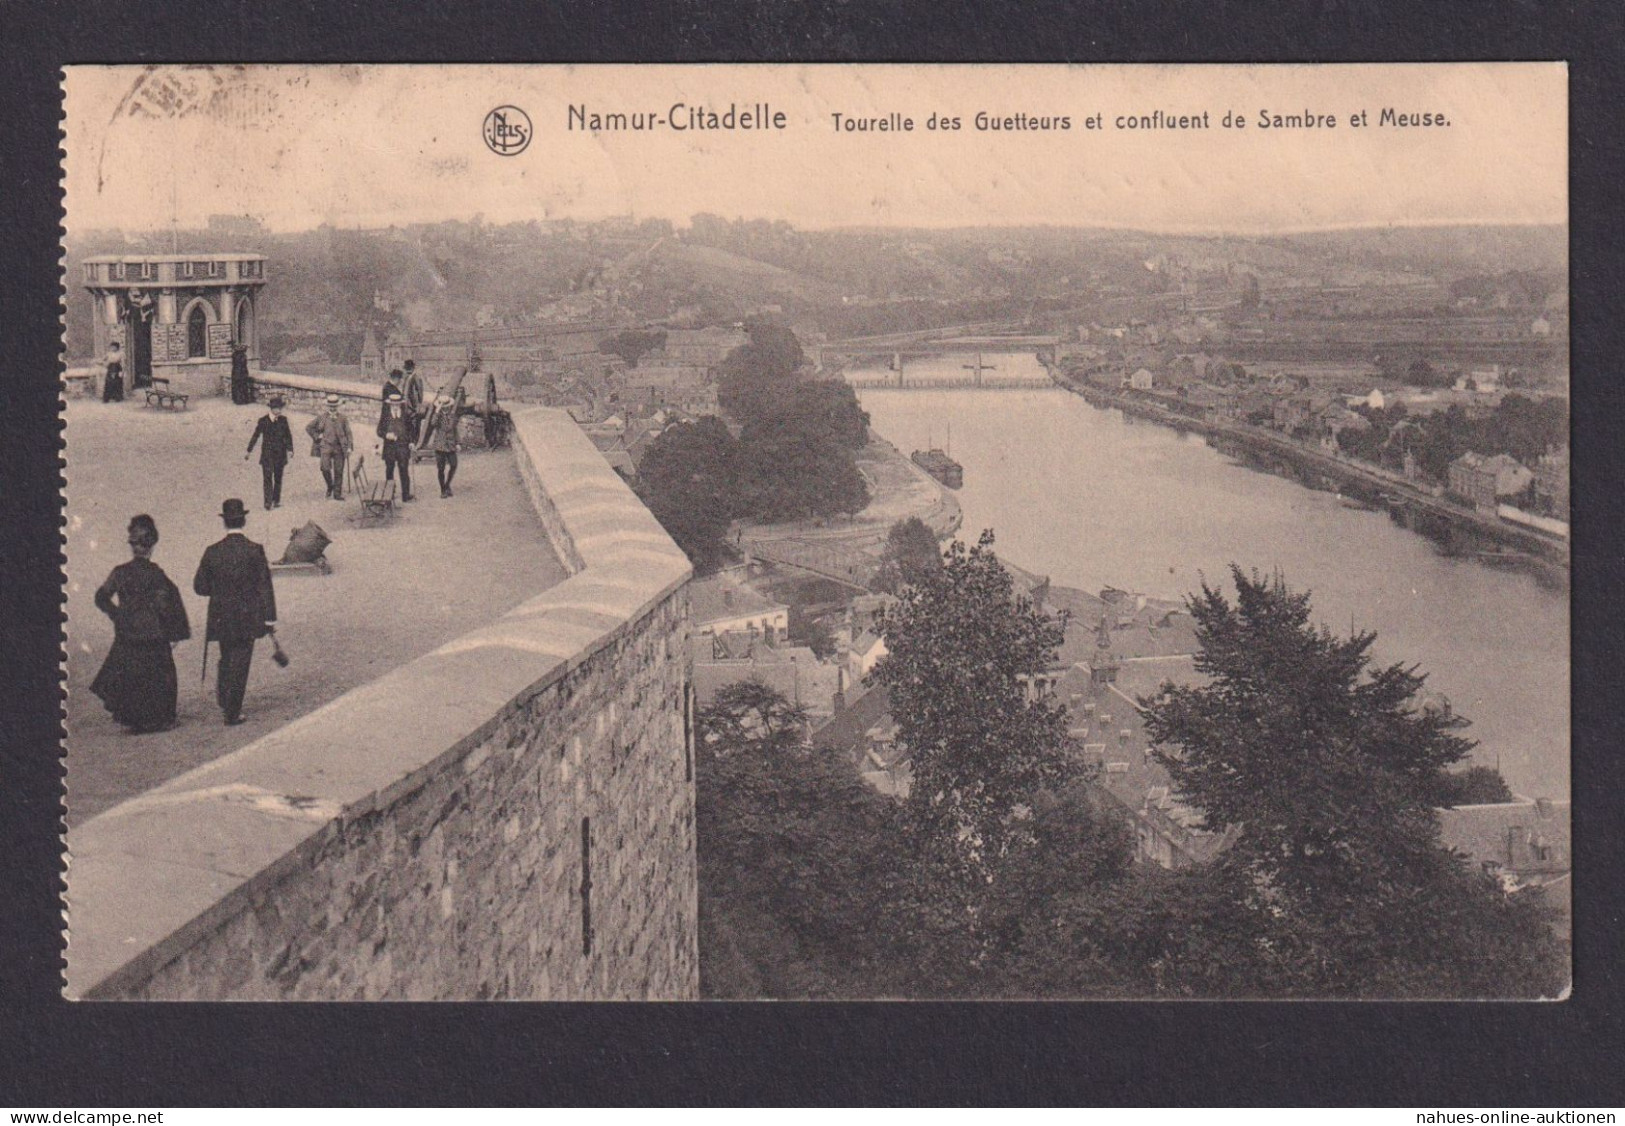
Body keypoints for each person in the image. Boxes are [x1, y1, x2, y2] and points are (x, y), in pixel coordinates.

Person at [90, 515, 191, 733]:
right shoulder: (156, 575)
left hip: (128, 635)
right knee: (162, 676)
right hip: (154, 635)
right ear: (152, 545)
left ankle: (134, 720)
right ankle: (160, 719)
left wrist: (117, 615)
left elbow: (101, 597)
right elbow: (169, 603)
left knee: (131, 676)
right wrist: (174, 632)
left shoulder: (120, 572)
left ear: (133, 546)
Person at [193, 498, 277, 726]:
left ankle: (225, 695)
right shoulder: (255, 551)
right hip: (248, 616)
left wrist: (219, 589)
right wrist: (269, 618)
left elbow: (199, 587)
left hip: (221, 616)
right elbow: (265, 587)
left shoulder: (212, 552)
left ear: (225, 523)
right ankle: (232, 711)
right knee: (241, 661)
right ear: (244, 520)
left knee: (228, 656)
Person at [246, 395, 294, 509]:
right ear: (272, 409)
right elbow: (256, 435)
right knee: (267, 478)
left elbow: (288, 436)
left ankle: (276, 500)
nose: (279, 410)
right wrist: (249, 450)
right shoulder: (263, 421)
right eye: (277, 408)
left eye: (280, 408)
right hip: (267, 455)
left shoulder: (283, 420)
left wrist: (290, 449)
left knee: (278, 478)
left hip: (280, 454)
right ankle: (268, 502)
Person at [305, 393, 354, 500]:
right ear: (328, 406)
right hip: (325, 446)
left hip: (339, 447)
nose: (332, 408)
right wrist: (317, 436)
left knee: (339, 470)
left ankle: (337, 494)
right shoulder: (322, 417)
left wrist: (349, 447)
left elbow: (349, 433)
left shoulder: (343, 418)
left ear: (338, 407)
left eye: (335, 406)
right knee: (324, 468)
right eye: (331, 406)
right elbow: (309, 427)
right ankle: (330, 485)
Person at [377, 388, 420, 501]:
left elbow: (411, 430)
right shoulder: (385, 416)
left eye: (397, 404)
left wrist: (411, 442)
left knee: (403, 470)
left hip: (403, 446)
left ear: (400, 404)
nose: (395, 406)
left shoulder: (405, 415)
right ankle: (389, 494)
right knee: (389, 470)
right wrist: (386, 435)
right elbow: (379, 431)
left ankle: (405, 495)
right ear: (390, 404)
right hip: (390, 447)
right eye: (393, 404)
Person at [428, 394, 461, 497]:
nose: (446, 408)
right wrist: (437, 411)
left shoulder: (452, 416)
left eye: (447, 406)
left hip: (450, 444)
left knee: (454, 465)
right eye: (444, 406)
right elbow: (433, 423)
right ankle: (443, 490)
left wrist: (458, 443)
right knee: (441, 469)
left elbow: (454, 430)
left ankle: (447, 485)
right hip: (440, 445)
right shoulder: (437, 416)